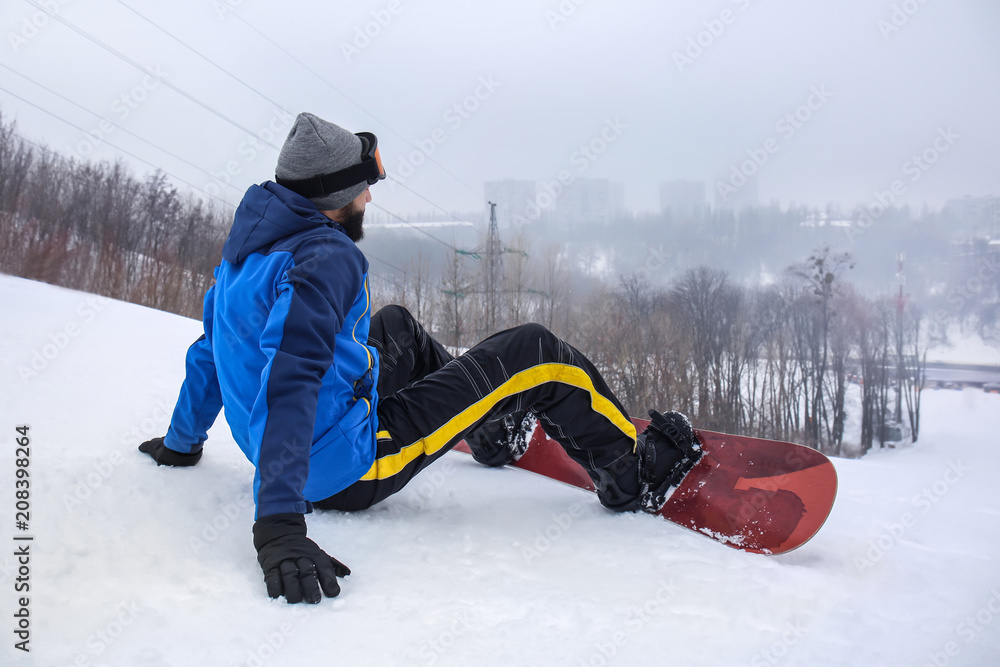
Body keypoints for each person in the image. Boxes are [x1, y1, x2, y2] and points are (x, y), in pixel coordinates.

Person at [139, 112, 700, 605]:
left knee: (396, 327)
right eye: (363, 188)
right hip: (344, 468)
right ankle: (633, 473)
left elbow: (211, 350)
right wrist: (279, 526)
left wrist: (181, 443)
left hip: (284, 446)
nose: (369, 198)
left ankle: (489, 432)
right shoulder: (324, 257)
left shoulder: (248, 250)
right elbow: (291, 379)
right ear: (334, 198)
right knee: (536, 351)